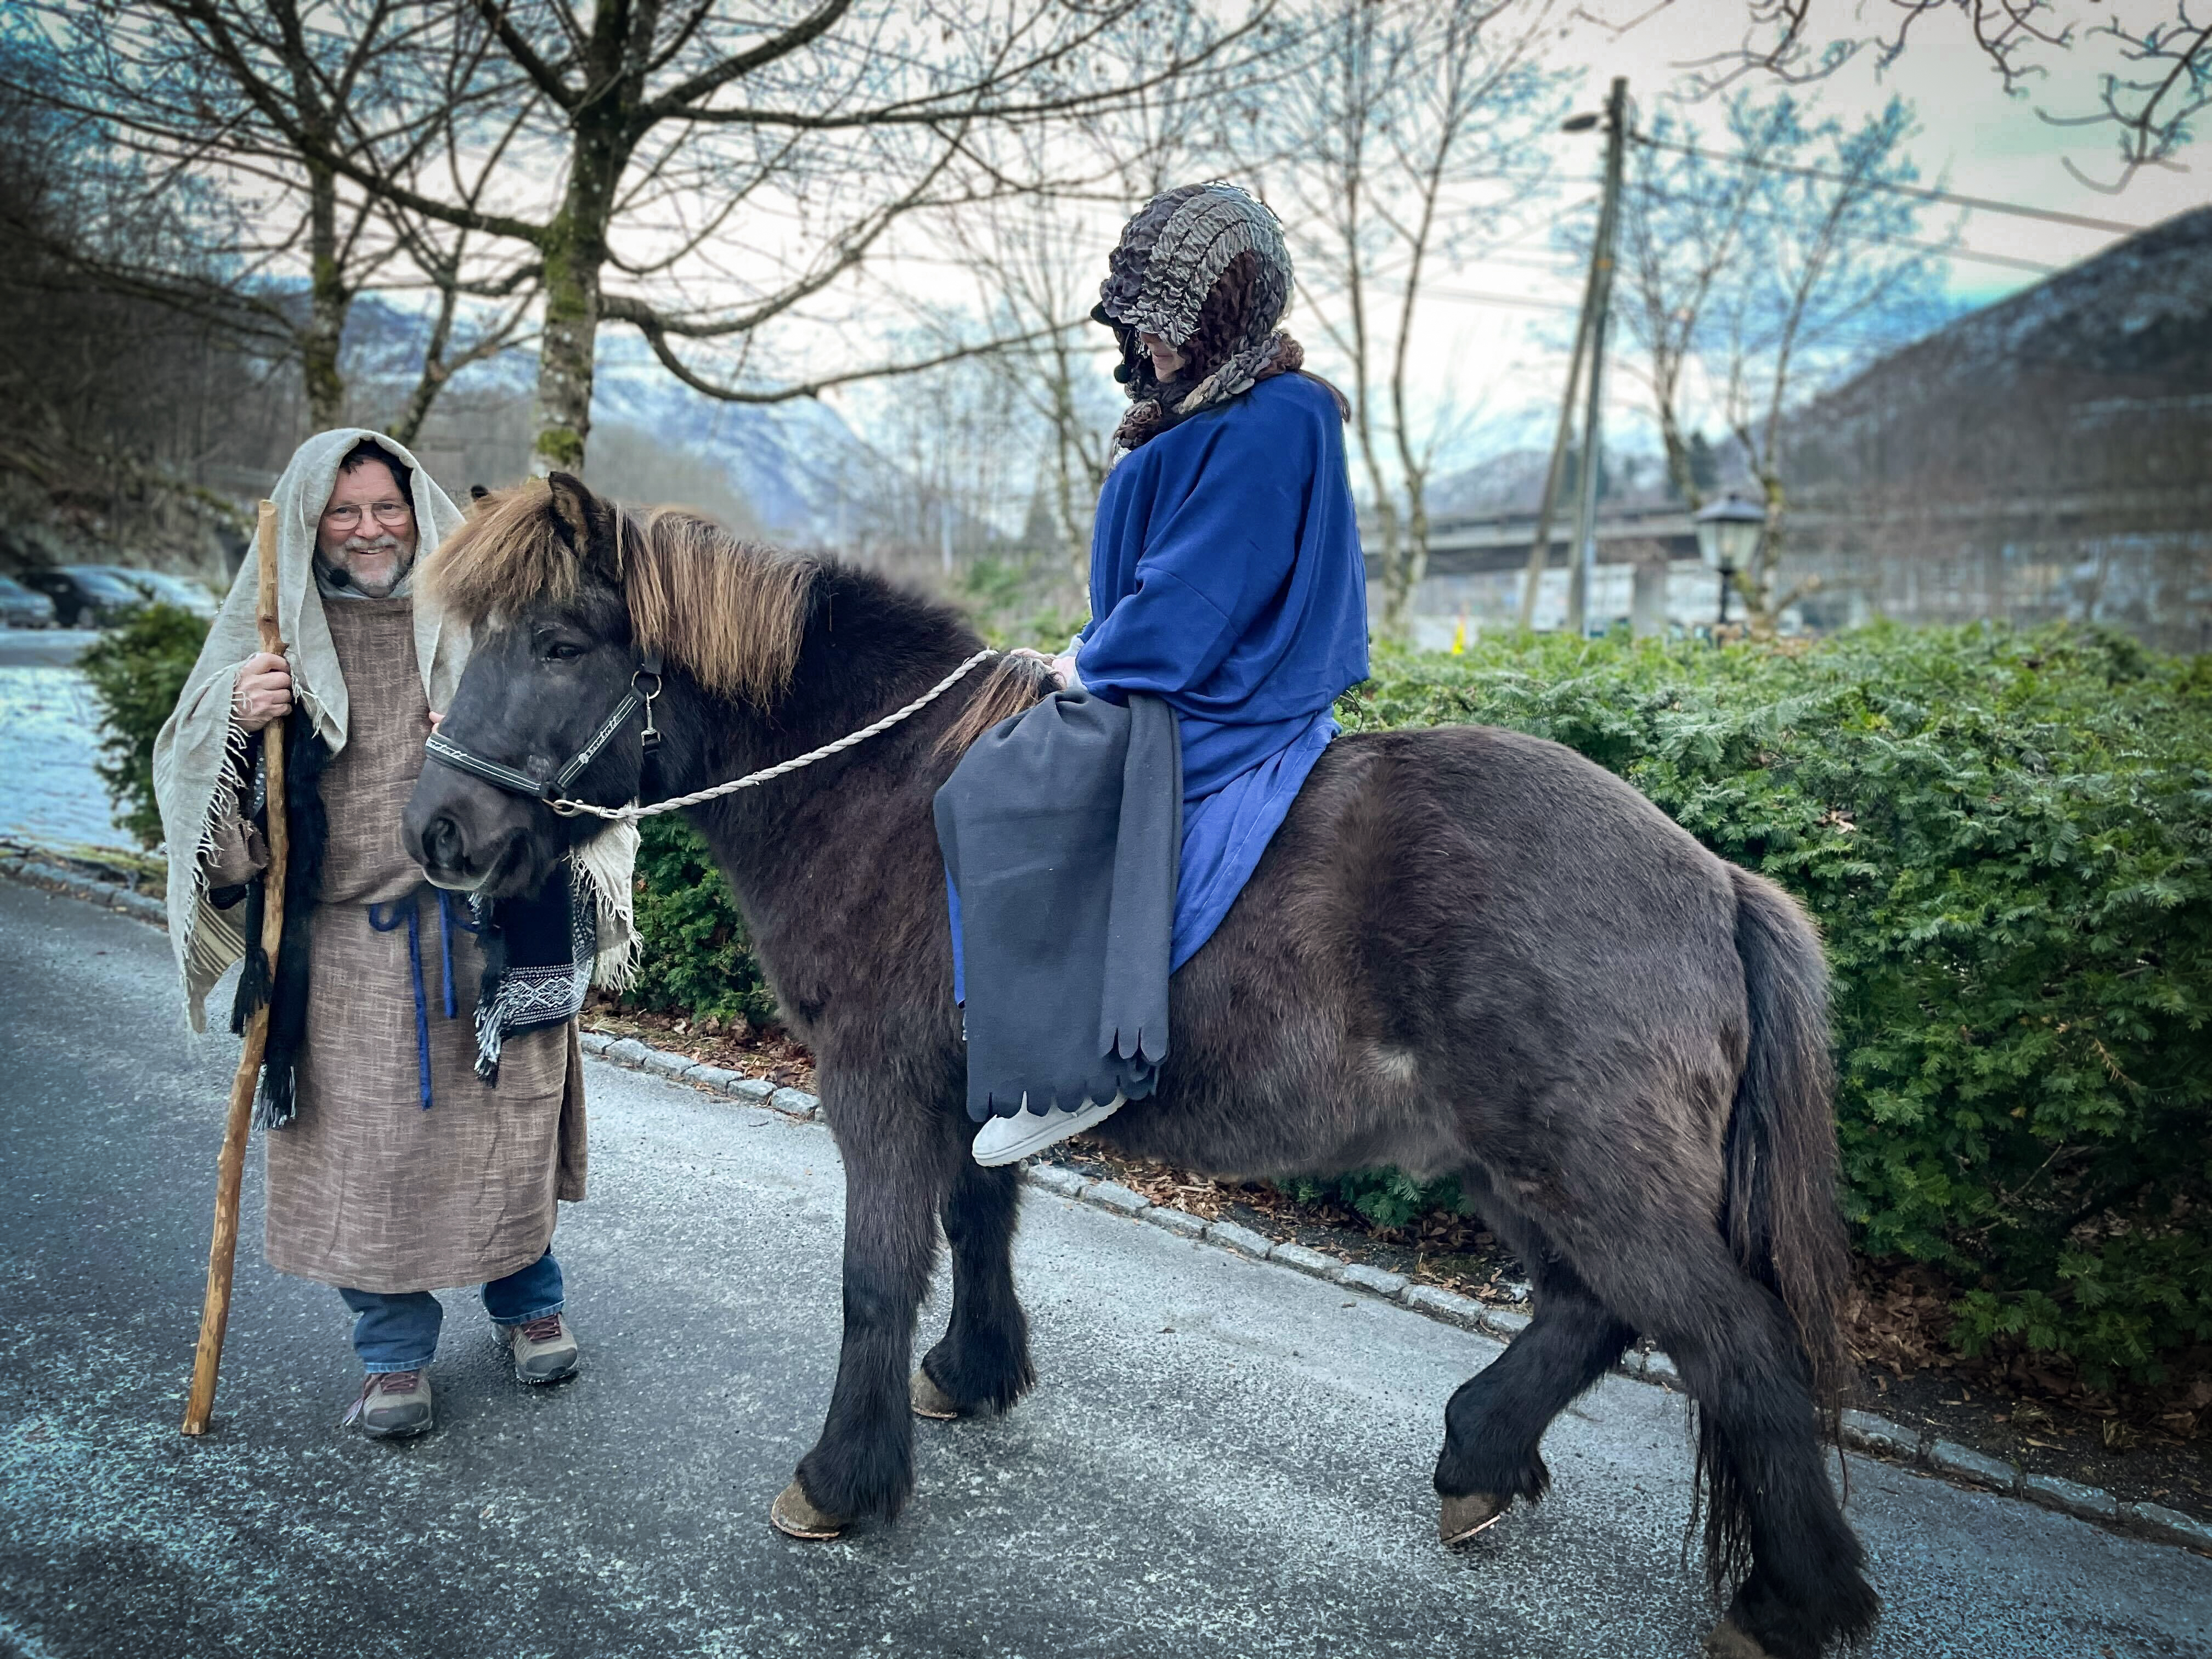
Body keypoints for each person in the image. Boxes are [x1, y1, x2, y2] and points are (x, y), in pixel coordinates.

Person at [153, 431, 626, 1437]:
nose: (369, 529)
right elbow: (204, 807)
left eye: (387, 507)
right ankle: (394, 1358)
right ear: (310, 522)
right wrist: (237, 716)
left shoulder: (482, 622)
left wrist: (495, 738)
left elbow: (583, 743)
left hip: (493, 937)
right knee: (368, 1160)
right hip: (346, 954)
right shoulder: (276, 641)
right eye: (344, 511)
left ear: (416, 511)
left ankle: (530, 1306)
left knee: (506, 1140)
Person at [968, 182, 1370, 1166]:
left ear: (1222, 316)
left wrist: (1085, 665)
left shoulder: (1278, 416)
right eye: (1139, 321)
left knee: (1006, 783)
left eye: (1165, 322)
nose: (1145, 341)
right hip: (1164, 665)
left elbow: (1199, 596)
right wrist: (1081, 648)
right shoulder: (1200, 411)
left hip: (1222, 692)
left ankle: (1073, 1069)